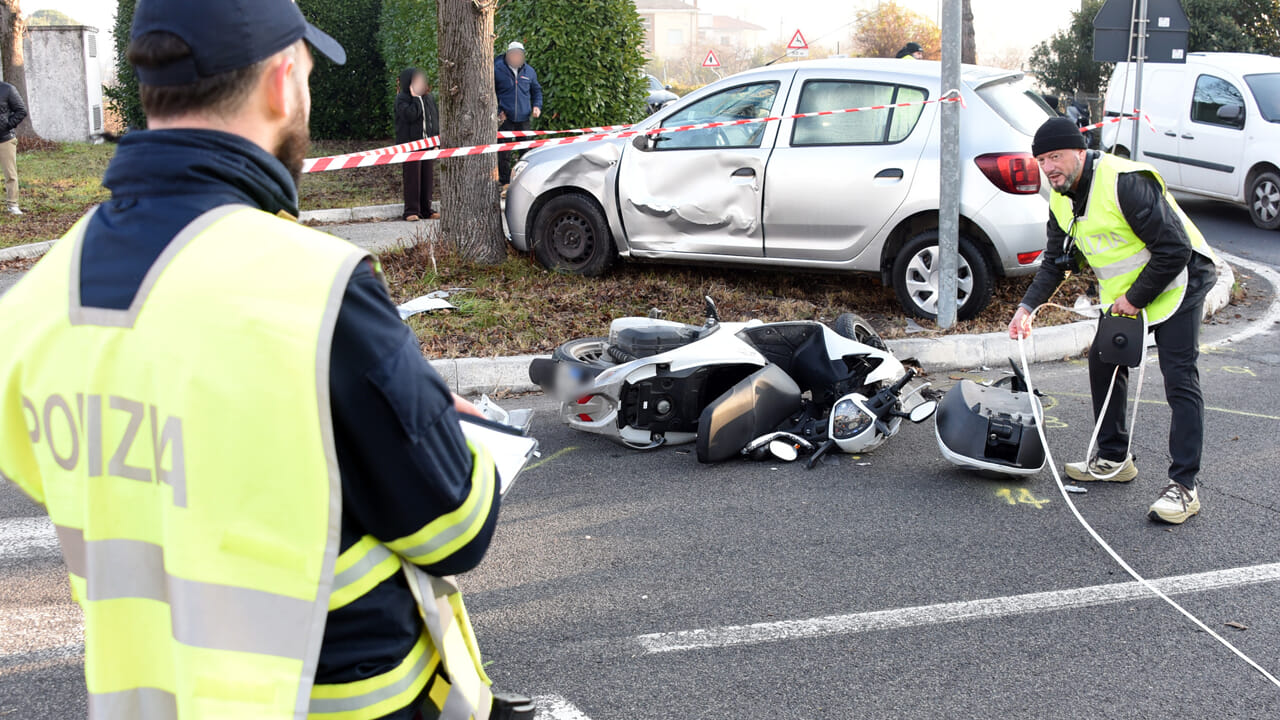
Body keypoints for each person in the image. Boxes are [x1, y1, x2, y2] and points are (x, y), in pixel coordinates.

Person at [0, 1, 532, 718]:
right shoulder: (316, 290)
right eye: (308, 75)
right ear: (284, 82)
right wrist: (433, 418)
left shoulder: (33, 306)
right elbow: (456, 528)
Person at [1009, 117, 1218, 525]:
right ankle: (1113, 459)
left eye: (1056, 156)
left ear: (1080, 151)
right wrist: (1026, 308)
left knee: (1179, 378)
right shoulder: (1059, 196)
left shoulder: (1125, 181)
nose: (1048, 166)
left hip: (1181, 280)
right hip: (1128, 292)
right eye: (1041, 159)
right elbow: (1055, 262)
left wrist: (1135, 298)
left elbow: (1174, 248)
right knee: (1104, 363)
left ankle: (1184, 487)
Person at [493, 40, 542, 186]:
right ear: (508, 55)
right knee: (504, 152)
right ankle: (504, 181)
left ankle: (524, 179)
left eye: (519, 55)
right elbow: (491, 92)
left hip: (524, 117)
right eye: (513, 54)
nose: (516, 57)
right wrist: (498, 111)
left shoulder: (529, 71)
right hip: (505, 119)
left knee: (526, 150)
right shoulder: (497, 69)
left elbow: (536, 90)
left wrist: (537, 106)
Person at [394, 67, 439, 221]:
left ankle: (427, 210)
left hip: (428, 144)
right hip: (410, 145)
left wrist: (435, 141)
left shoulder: (429, 98)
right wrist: (416, 98)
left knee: (427, 177)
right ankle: (411, 211)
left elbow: (434, 120)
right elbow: (411, 115)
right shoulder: (402, 99)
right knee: (413, 177)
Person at [0, 78, 27, 215]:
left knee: (10, 174)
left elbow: (21, 111)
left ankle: (12, 204)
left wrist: (6, 126)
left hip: (5, 140)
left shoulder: (7, 89)